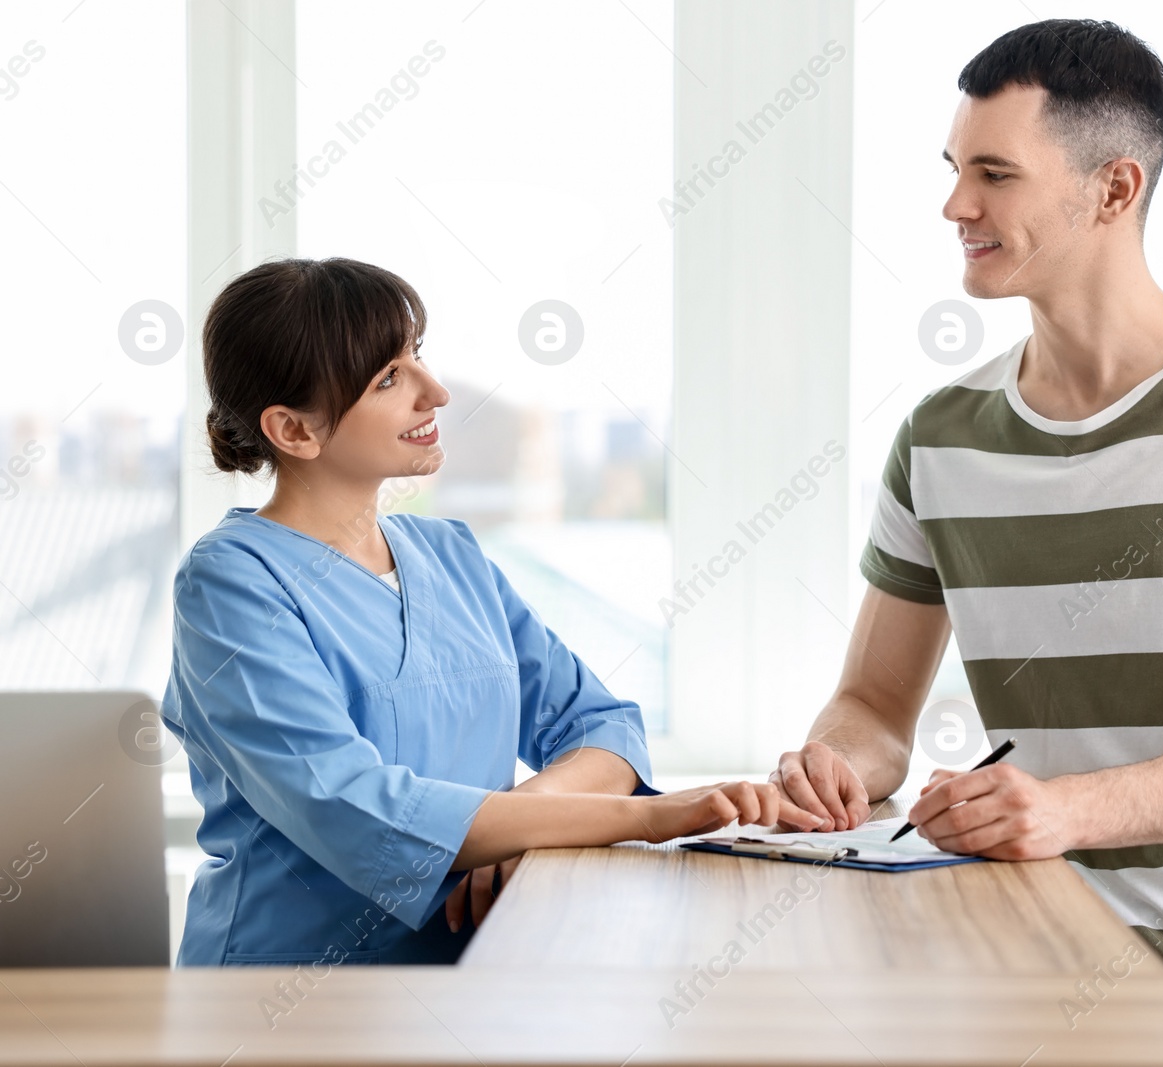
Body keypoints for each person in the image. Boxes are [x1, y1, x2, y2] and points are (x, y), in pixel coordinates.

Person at [769, 20, 1163, 1066]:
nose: (955, 205)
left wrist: (1055, 809)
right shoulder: (939, 433)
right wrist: (836, 765)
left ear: (1112, 188)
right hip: (1036, 988)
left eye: (994, 174)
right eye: (955, 169)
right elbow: (875, 704)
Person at [164, 257, 820, 967]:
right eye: (390, 378)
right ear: (294, 430)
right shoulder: (230, 584)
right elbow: (349, 802)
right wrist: (648, 817)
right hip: (285, 1004)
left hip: (475, 979)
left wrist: (524, 823)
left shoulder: (451, 555)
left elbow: (602, 727)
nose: (436, 392)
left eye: (417, 356)